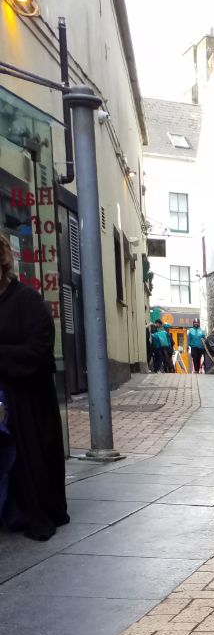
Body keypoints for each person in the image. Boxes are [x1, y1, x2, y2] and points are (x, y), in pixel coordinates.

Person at [0, 232, 69, 542]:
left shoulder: (28, 301)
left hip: (25, 400)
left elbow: (39, 352)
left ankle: (25, 509)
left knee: (25, 458)